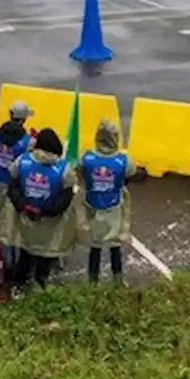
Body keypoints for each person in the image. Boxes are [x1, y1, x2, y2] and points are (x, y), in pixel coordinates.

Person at [0, 127, 76, 290]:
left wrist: (23, 206)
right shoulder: (64, 169)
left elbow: (12, 187)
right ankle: (40, 287)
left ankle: (18, 287)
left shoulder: (22, 161)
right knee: (45, 257)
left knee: (26, 254)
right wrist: (46, 211)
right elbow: (66, 198)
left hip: (26, 220)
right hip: (50, 224)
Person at [77, 118, 137, 284]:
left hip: (92, 207)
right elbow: (131, 174)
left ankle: (92, 281)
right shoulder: (123, 160)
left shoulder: (86, 157)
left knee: (94, 248)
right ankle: (118, 280)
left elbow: (79, 172)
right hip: (114, 208)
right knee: (115, 246)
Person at [0, 101, 35, 267]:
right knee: (11, 228)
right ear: (23, 120)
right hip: (12, 187)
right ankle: (11, 264)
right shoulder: (26, 141)